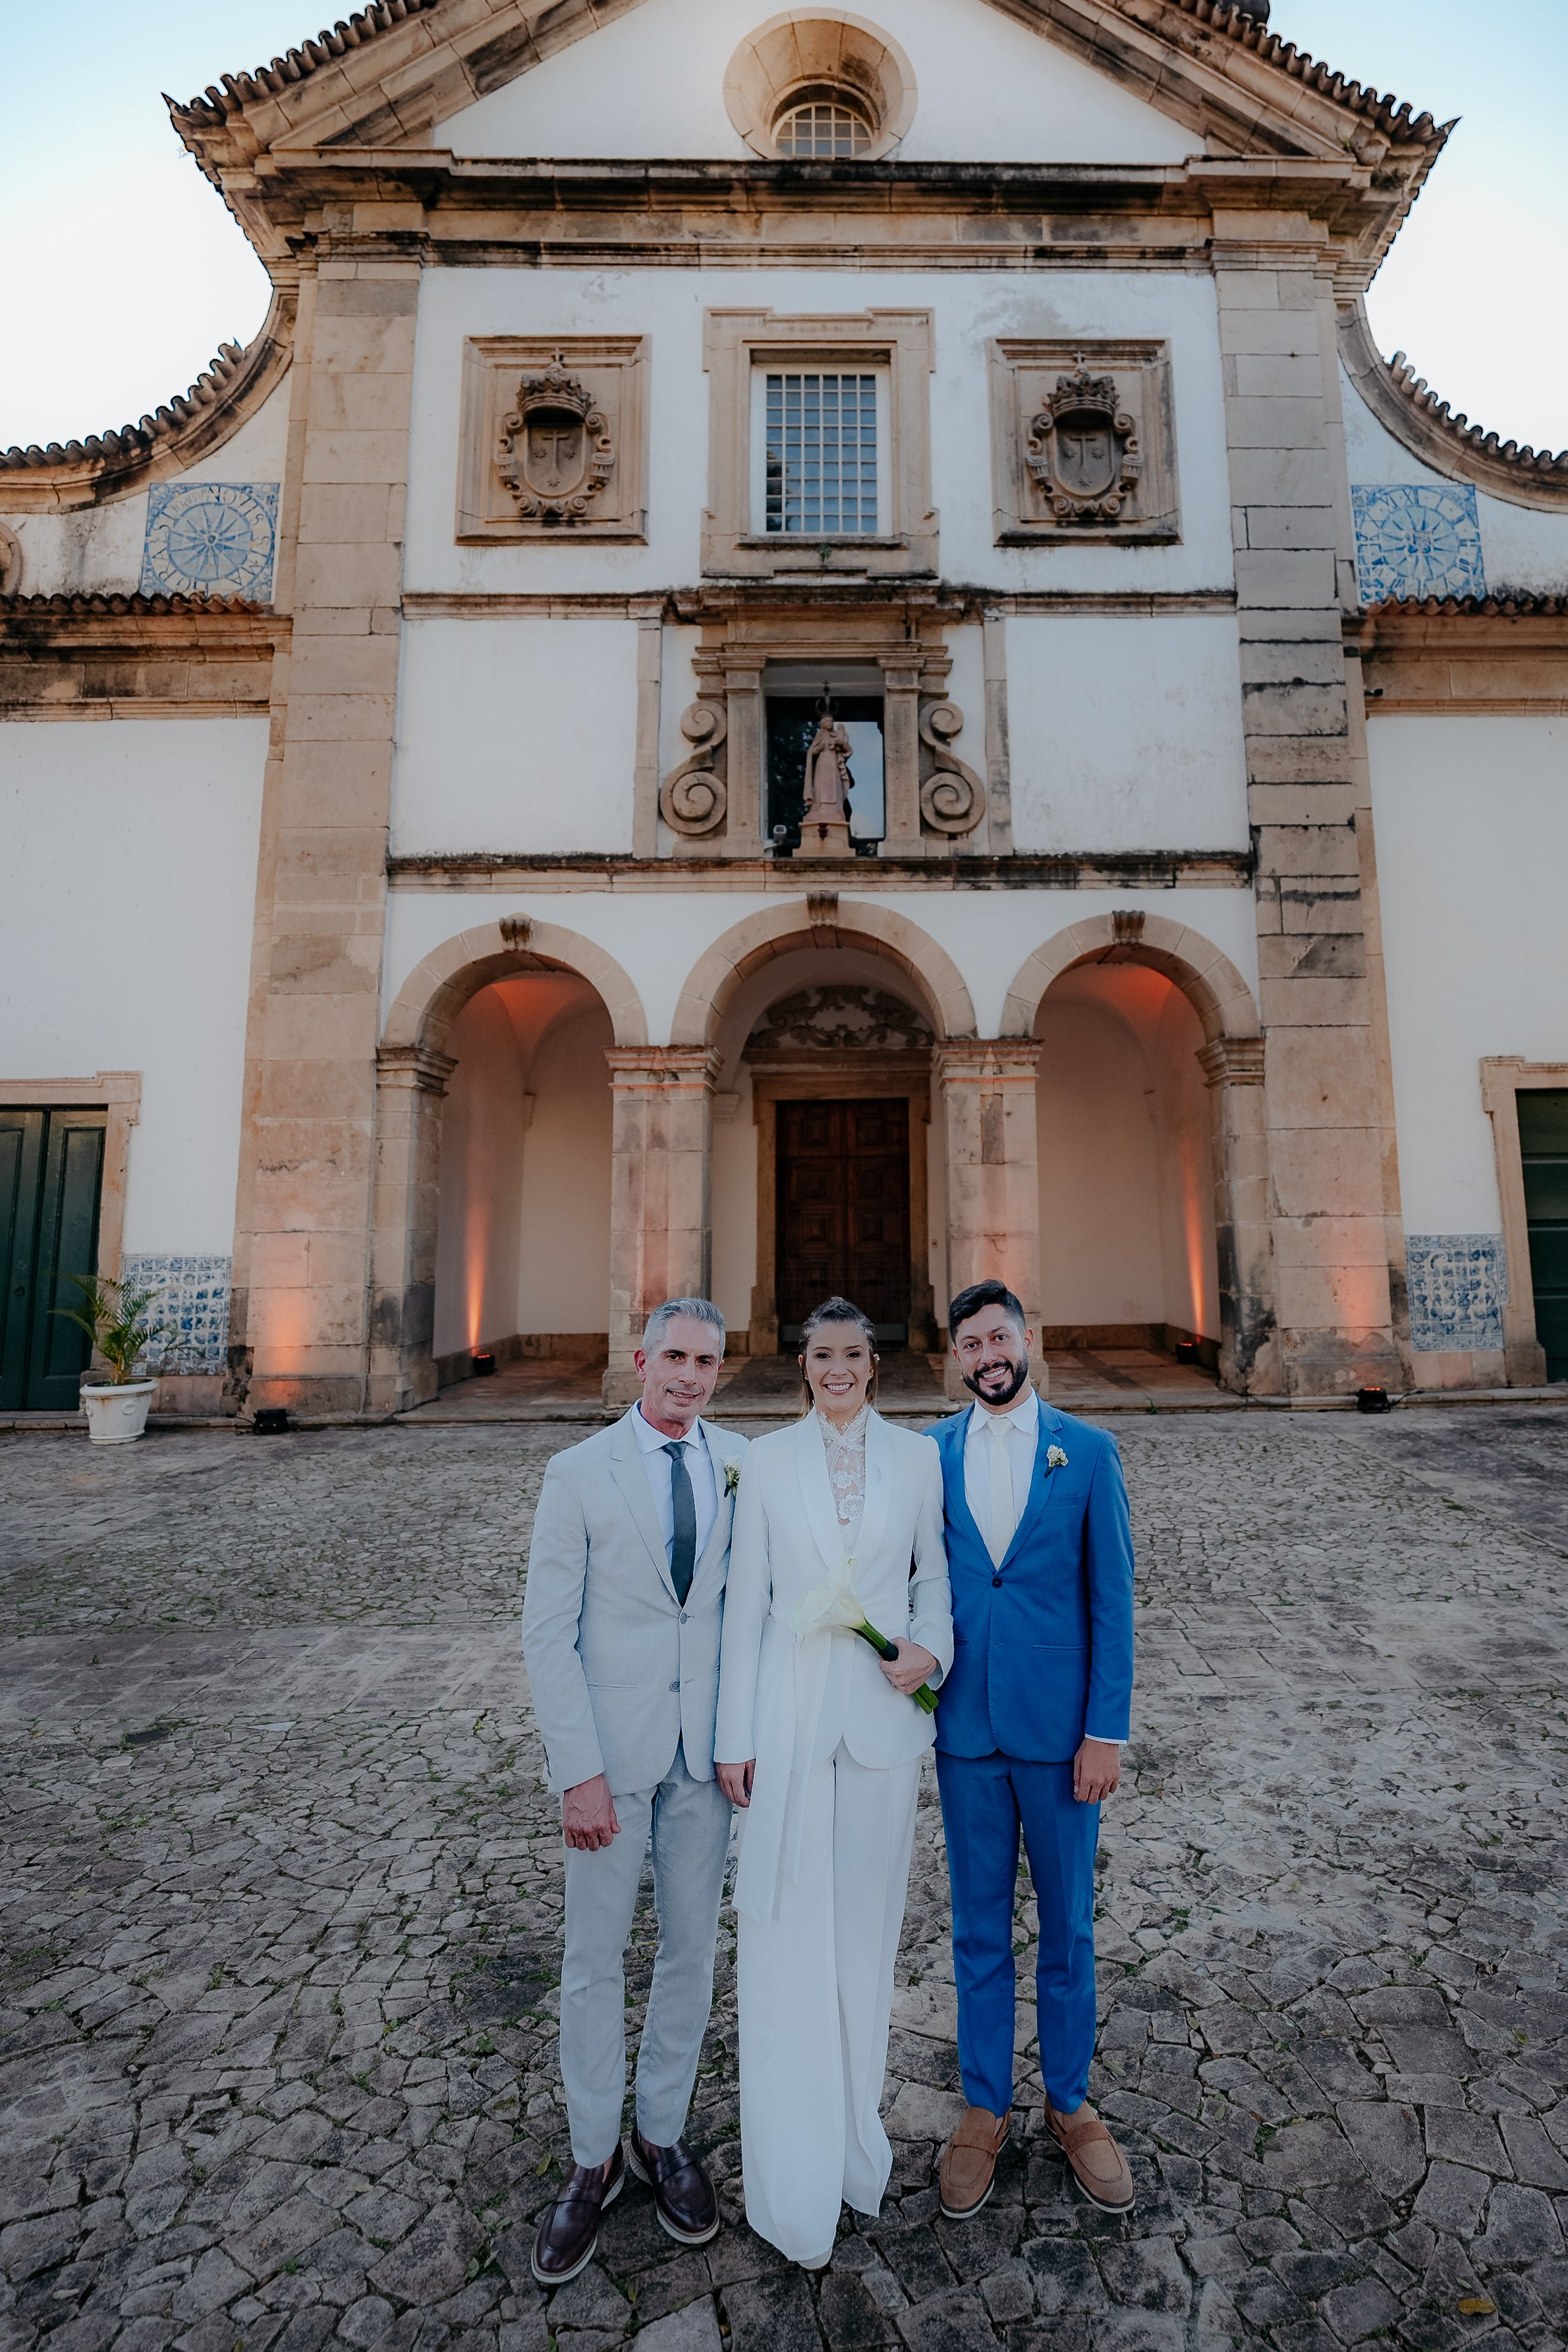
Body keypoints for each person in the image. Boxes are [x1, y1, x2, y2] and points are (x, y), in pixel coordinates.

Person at [714, 1296, 953, 2268]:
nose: (840, 1367)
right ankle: (791, 2169)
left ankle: (858, 2144)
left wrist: (928, 1650)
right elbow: (744, 1609)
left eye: (856, 1353)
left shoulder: (919, 1458)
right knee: (784, 1940)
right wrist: (737, 1737)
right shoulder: (765, 1463)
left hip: (883, 1724)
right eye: (823, 1354)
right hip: (790, 1714)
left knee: (863, 1938)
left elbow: (932, 1571)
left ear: (874, 1364)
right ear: (802, 1366)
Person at [521, 1298, 748, 2285]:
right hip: (608, 1764)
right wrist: (578, 1771)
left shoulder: (741, 1462)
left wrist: (744, 1737)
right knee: (594, 1956)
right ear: (641, 1357)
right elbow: (546, 1631)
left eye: (707, 1361)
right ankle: (591, 2156)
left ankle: (662, 2136)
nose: (689, 1376)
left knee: (691, 1952)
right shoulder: (577, 1473)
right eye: (675, 1357)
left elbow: (754, 1610)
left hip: (706, 1761)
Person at [927, 1279, 1136, 2221]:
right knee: (976, 1928)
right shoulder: (926, 1454)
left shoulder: (1087, 1454)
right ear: (957, 1356)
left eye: (999, 1336)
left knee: (1069, 1927)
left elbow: (1112, 1604)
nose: (987, 1355)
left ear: (1026, 1339)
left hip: (1063, 1743)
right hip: (966, 1731)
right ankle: (982, 2106)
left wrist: (1105, 1730)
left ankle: (1069, 2099)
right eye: (970, 1343)